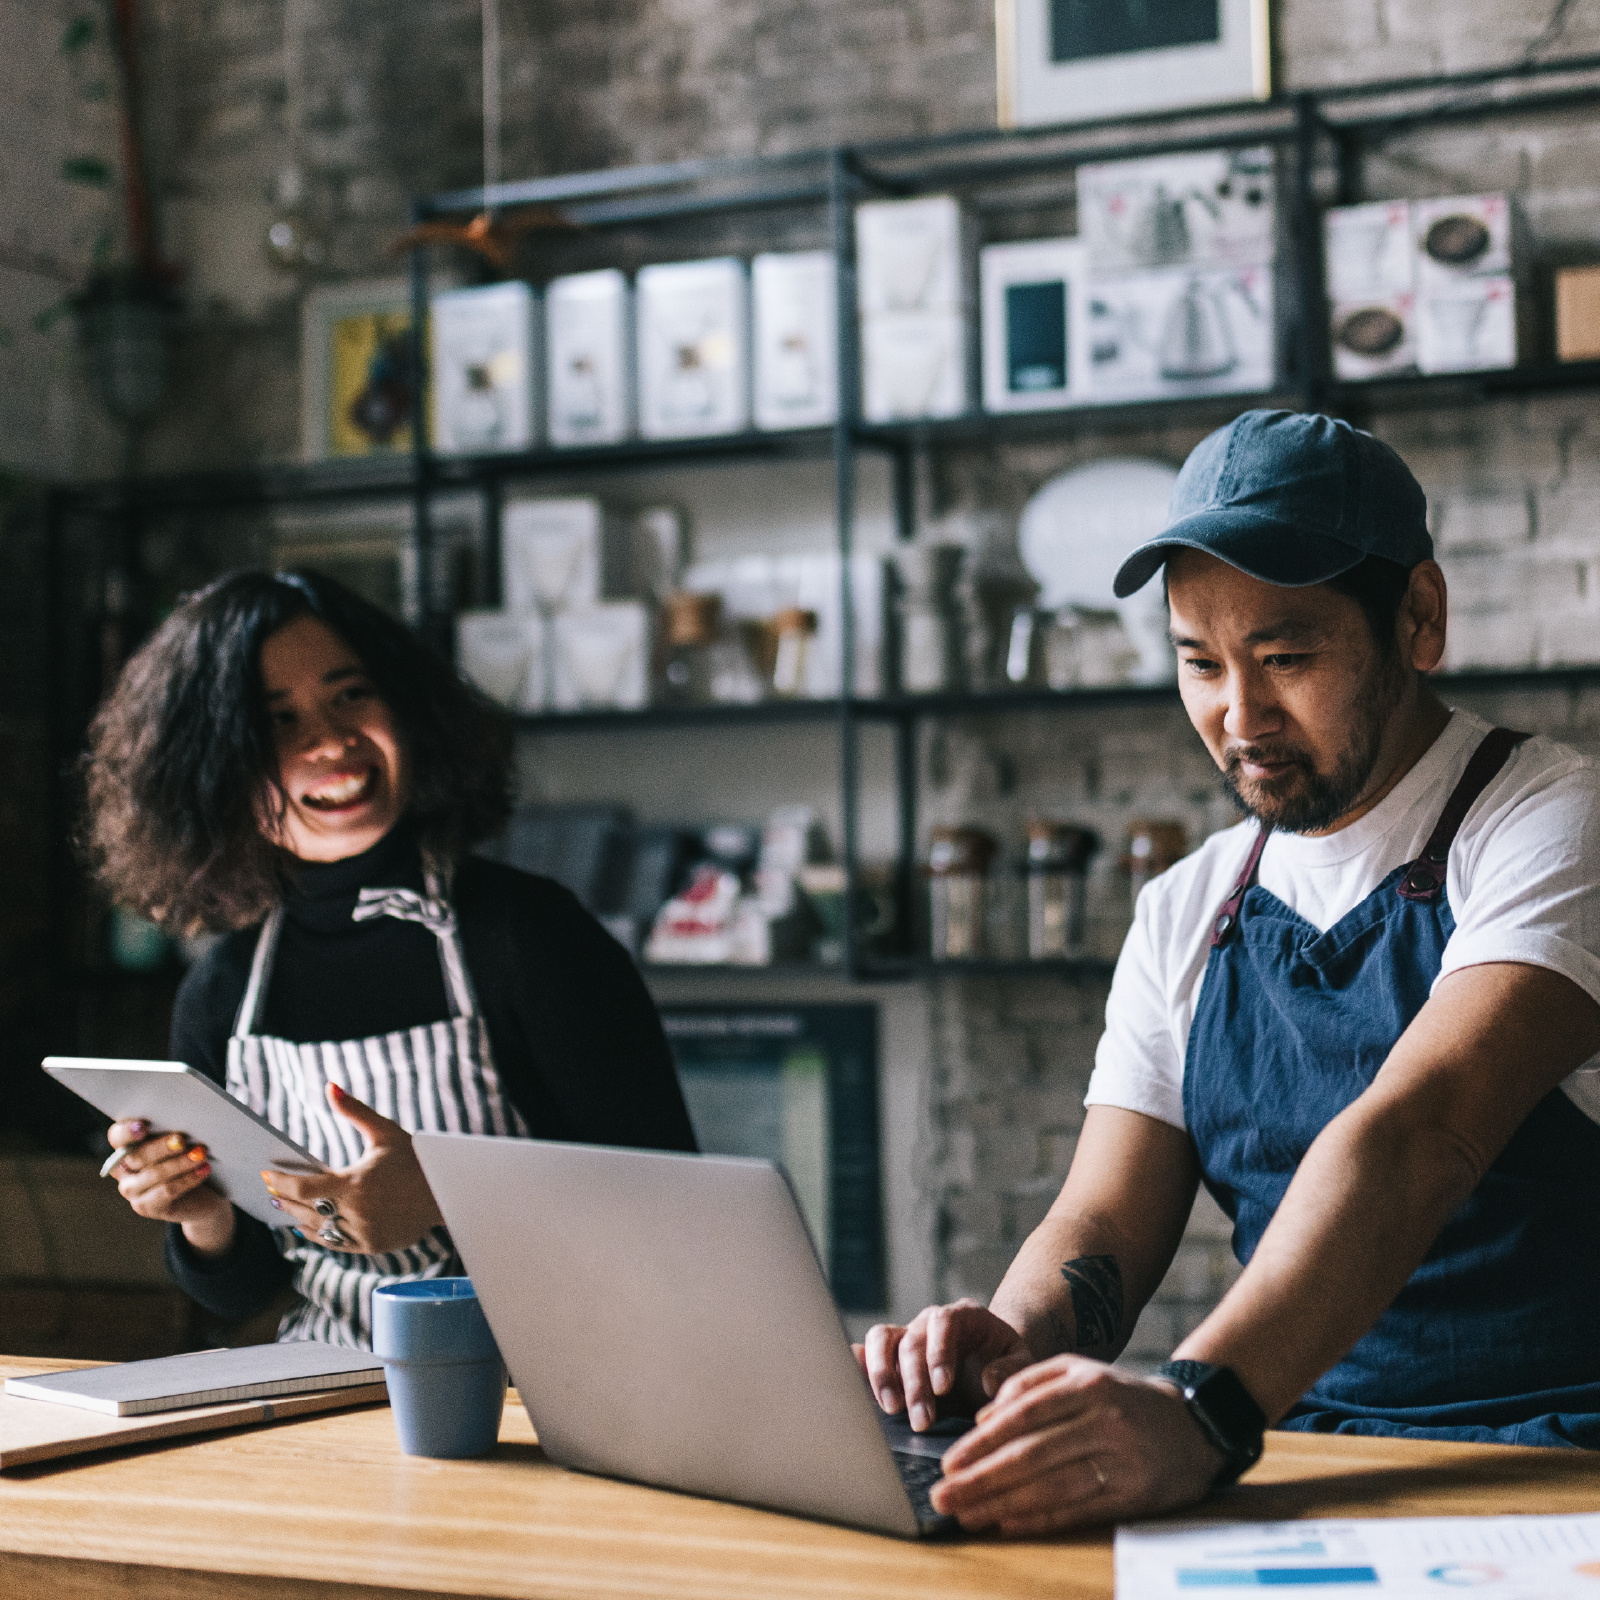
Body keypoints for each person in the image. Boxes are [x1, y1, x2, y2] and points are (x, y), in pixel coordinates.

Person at [863, 410, 1600, 1535]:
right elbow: (1104, 1217)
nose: (1237, 717)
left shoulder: (1551, 820)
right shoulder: (1186, 905)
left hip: (1551, 1460)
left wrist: (1197, 1406)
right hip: (1298, 1457)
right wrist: (1010, 1348)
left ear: (1419, 617)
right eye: (1198, 663)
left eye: (1285, 658)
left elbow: (1420, 1131)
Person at [83, 569, 696, 1347]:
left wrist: (447, 1194)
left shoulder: (529, 935)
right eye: (277, 721)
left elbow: (679, 1210)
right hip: (330, 1398)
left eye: (351, 695)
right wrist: (200, 1213)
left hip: (547, 1398)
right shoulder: (224, 991)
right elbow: (243, 1292)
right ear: (211, 770)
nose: (333, 740)